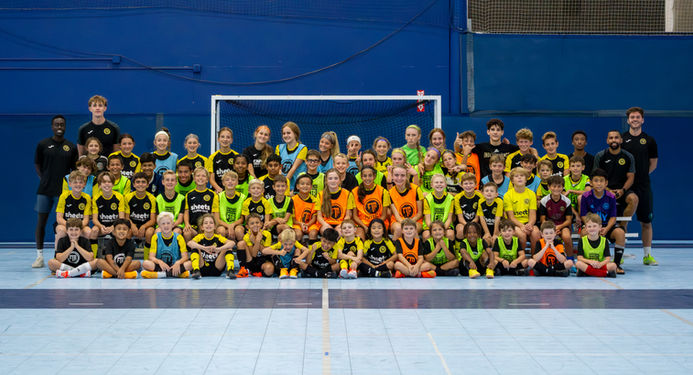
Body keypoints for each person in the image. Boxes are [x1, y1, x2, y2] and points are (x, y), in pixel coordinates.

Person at [34, 114, 78, 268]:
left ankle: (60, 255)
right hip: (44, 190)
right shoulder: (43, 144)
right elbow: (37, 164)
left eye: (62, 125)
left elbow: (74, 170)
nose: (59, 127)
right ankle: (39, 256)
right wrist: (44, 178)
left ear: (65, 127)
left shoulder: (71, 147)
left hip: (63, 192)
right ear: (52, 127)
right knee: (41, 223)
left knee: (60, 224)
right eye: (57, 125)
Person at [621, 106, 658, 266]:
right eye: (632, 117)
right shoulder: (621, 139)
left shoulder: (649, 140)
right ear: (628, 120)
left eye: (637, 117)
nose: (635, 120)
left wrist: (640, 176)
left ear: (642, 120)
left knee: (646, 222)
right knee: (623, 220)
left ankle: (647, 256)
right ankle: (619, 254)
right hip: (626, 187)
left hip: (644, 187)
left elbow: (653, 164)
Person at [580, 168, 627, 274]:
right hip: (592, 227)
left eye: (602, 181)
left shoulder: (611, 197)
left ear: (606, 183)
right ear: (591, 183)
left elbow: (613, 217)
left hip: (606, 227)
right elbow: (583, 216)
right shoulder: (586, 196)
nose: (599, 183)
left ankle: (617, 265)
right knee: (583, 233)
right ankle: (587, 264)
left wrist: (606, 229)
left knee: (620, 233)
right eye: (596, 180)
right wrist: (593, 228)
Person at [593, 130, 638, 228]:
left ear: (621, 140)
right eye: (611, 138)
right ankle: (600, 227)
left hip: (622, 190)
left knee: (634, 199)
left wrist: (622, 191)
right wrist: (607, 190)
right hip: (603, 190)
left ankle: (622, 226)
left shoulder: (628, 156)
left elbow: (631, 178)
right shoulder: (600, 156)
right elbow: (595, 178)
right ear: (607, 141)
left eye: (616, 137)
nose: (614, 140)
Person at [141, 212, 191, 279]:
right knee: (145, 263)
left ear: (172, 224)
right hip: (161, 266)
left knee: (190, 264)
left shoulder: (179, 237)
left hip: (175, 266)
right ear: (159, 225)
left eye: (168, 223)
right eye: (163, 223)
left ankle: (161, 274)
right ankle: (176, 274)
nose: (166, 226)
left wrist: (178, 263)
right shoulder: (155, 237)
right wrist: (159, 262)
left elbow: (185, 257)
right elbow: (151, 257)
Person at [187, 214, 237, 279]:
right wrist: (204, 248)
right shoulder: (199, 237)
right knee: (195, 247)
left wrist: (219, 249)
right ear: (202, 227)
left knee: (228, 248)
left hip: (217, 267)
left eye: (211, 223)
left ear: (215, 226)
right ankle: (196, 270)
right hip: (202, 267)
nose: (208, 224)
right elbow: (189, 243)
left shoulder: (218, 237)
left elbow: (232, 243)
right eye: (206, 223)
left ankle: (230, 270)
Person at [503, 167, 540, 254]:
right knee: (521, 235)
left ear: (526, 179)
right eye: (516, 176)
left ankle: (534, 259)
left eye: (522, 176)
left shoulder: (531, 194)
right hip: (514, 224)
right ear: (512, 180)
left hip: (527, 223)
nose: (519, 178)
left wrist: (530, 225)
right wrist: (521, 226)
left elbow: (533, 214)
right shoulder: (508, 195)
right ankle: (521, 258)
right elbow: (511, 217)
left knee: (536, 233)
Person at [55, 171, 92, 250]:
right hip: (65, 225)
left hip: (80, 226)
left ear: (84, 184)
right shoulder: (64, 196)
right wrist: (70, 227)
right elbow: (59, 218)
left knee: (88, 231)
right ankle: (57, 256)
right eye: (75, 182)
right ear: (70, 184)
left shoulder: (87, 198)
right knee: (61, 230)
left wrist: (77, 227)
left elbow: (86, 219)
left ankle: (85, 257)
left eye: (80, 182)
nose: (78, 184)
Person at [539, 175, 574, 258]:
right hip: (548, 226)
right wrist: (552, 230)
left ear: (563, 187)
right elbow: (542, 219)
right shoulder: (544, 200)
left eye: (559, 186)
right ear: (549, 187)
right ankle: (542, 259)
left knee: (567, 237)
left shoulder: (566, 201)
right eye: (554, 186)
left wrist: (558, 227)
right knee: (541, 236)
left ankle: (570, 259)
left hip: (562, 225)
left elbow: (568, 220)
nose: (556, 189)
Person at [351, 166, 391, 240]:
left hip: (379, 222)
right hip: (362, 224)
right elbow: (355, 216)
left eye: (370, 175)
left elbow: (384, 215)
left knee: (377, 235)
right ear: (361, 177)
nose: (367, 178)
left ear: (374, 176)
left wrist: (374, 226)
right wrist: (365, 227)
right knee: (359, 236)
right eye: (365, 176)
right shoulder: (354, 192)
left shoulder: (383, 191)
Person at [183, 167, 220, 242]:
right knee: (187, 233)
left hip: (207, 227)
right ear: (194, 179)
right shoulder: (189, 194)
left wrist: (214, 226)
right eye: (198, 175)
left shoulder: (213, 195)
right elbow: (186, 212)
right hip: (193, 227)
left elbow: (215, 213)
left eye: (203, 176)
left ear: (207, 180)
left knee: (219, 231)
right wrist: (187, 224)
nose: (200, 178)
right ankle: (190, 251)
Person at [90, 172, 125, 250]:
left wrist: (113, 227)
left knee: (120, 231)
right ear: (99, 185)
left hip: (115, 225)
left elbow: (121, 218)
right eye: (104, 182)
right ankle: (93, 257)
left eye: (109, 182)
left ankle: (118, 255)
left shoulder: (119, 197)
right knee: (94, 230)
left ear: (113, 184)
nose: (107, 184)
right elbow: (95, 219)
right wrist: (101, 226)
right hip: (101, 226)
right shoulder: (96, 198)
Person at [575, 213, 617, 278]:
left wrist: (600, 264)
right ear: (586, 228)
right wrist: (590, 262)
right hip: (588, 264)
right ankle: (605, 273)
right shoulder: (582, 240)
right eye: (589, 226)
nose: (592, 228)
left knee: (613, 265)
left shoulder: (604, 240)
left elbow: (607, 259)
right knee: (578, 264)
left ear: (600, 227)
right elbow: (579, 258)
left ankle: (587, 272)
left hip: (600, 264)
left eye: (594, 226)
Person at [125, 172, 157, 256]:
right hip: (132, 224)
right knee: (127, 232)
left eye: (143, 182)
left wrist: (143, 226)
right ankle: (127, 257)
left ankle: (147, 259)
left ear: (147, 184)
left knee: (150, 232)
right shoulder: (128, 197)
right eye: (138, 182)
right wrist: (133, 226)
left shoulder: (152, 198)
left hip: (146, 225)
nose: (140, 184)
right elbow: (126, 218)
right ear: (134, 185)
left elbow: (153, 220)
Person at [388, 166, 424, 240]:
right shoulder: (390, 193)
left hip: (415, 220)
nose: (399, 178)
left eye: (402, 175)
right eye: (396, 175)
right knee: (398, 229)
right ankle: (394, 251)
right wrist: (405, 224)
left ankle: (416, 251)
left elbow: (420, 213)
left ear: (407, 176)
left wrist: (410, 223)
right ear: (392, 176)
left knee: (412, 229)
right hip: (397, 221)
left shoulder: (416, 189)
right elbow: (396, 215)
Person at [316, 169, 353, 235]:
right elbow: (319, 216)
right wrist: (326, 225)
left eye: (336, 178)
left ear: (340, 180)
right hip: (325, 223)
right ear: (326, 181)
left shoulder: (347, 194)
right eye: (330, 178)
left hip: (340, 223)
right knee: (328, 233)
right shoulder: (320, 195)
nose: (333, 181)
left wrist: (341, 225)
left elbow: (348, 215)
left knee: (340, 233)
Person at [236, 213, 274, 277]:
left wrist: (255, 241)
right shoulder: (247, 236)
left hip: (263, 260)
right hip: (251, 260)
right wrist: (256, 241)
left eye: (257, 222)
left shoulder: (267, 234)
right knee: (241, 243)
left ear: (261, 224)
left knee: (269, 270)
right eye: (252, 223)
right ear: (247, 226)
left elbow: (265, 253)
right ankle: (244, 269)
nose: (255, 225)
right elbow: (253, 254)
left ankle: (258, 272)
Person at [422, 174, 454, 241]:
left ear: (445, 185)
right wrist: (434, 230)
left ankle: (449, 251)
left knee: (450, 234)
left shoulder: (451, 198)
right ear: (432, 185)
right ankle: (429, 251)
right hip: (430, 226)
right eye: (436, 182)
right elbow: (427, 219)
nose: (439, 184)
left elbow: (449, 218)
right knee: (426, 235)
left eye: (441, 182)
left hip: (445, 226)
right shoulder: (427, 198)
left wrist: (441, 230)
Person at [216, 171, 247, 241]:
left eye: (233, 180)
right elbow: (217, 219)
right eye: (227, 180)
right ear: (223, 183)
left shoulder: (243, 198)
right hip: (222, 225)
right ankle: (223, 250)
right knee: (221, 231)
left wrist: (232, 225)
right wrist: (229, 226)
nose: (230, 182)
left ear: (237, 183)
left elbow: (242, 219)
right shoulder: (218, 197)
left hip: (237, 225)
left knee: (239, 231)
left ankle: (240, 249)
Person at [207, 127, 239, 192]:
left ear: (231, 140)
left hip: (233, 191)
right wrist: (220, 190)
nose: (225, 139)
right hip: (218, 191)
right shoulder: (212, 157)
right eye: (222, 137)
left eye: (228, 137)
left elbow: (239, 177)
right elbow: (211, 179)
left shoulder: (237, 156)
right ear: (218, 139)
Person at [276, 121, 307, 187]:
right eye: (284, 133)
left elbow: (293, 168)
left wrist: (284, 184)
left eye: (288, 133)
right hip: (282, 185)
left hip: (296, 186)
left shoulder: (302, 148)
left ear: (295, 134)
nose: (286, 135)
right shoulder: (279, 147)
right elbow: (278, 168)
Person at [563, 155, 590, 227]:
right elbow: (563, 198)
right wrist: (576, 214)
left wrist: (571, 190)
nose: (575, 168)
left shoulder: (586, 178)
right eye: (573, 166)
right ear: (569, 168)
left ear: (583, 167)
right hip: (569, 209)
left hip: (583, 209)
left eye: (578, 166)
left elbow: (588, 192)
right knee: (564, 199)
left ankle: (585, 224)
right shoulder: (564, 180)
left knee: (581, 198)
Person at [454, 173, 483, 239]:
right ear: (461, 185)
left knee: (475, 230)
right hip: (462, 222)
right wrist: (467, 225)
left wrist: (472, 225)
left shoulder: (480, 197)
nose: (468, 186)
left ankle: (476, 248)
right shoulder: (458, 197)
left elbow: (477, 217)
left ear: (475, 184)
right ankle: (460, 248)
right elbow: (460, 218)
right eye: (466, 183)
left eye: (471, 183)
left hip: (476, 222)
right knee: (461, 230)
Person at [291, 175, 319, 243]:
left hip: (310, 224)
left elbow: (314, 217)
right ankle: (298, 251)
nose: (305, 186)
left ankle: (312, 251)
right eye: (302, 184)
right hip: (297, 224)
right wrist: (301, 224)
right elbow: (293, 219)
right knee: (298, 234)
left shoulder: (314, 200)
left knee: (313, 233)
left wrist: (307, 225)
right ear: (297, 186)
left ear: (311, 187)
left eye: (308, 184)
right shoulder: (292, 200)